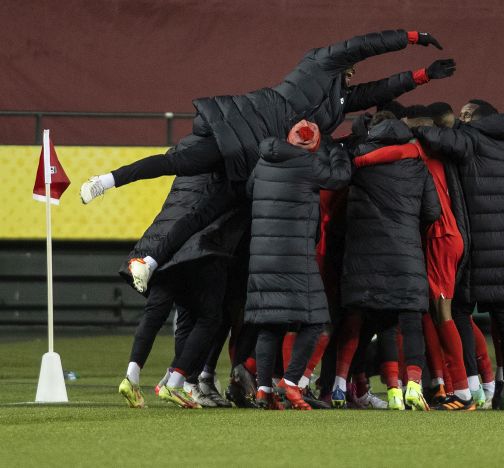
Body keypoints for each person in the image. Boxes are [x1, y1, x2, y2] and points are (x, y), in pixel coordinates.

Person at [84, 30, 454, 293]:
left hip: (256, 158)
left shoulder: (338, 100)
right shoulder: (319, 62)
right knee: (178, 163)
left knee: (205, 213)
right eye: (352, 64)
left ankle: (148, 262)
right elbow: (364, 44)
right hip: (243, 130)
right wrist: (410, 37)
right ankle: (106, 181)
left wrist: (421, 77)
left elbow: (379, 91)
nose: (355, 68)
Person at [412, 99, 504, 411]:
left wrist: (416, 125)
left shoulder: (470, 139)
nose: (461, 118)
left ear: (479, 118)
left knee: (458, 311)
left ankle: (473, 388)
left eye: (466, 114)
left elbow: (435, 136)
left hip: (478, 244)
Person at [351, 106, 474, 410]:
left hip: (438, 239)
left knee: (440, 313)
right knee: (428, 314)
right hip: (438, 238)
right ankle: (443, 385)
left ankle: (465, 391)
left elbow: (383, 157)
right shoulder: (437, 151)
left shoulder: (414, 151)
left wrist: (358, 159)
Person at [244, 123, 351, 410]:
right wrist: (339, 152)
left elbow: (250, 190)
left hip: (262, 255)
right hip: (294, 254)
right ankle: (291, 383)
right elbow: (340, 178)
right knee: (316, 319)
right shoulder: (308, 164)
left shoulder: (264, 160)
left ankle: (263, 390)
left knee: (270, 323)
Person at [117, 173, 245, 409]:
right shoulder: (225, 173)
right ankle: (177, 382)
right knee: (209, 317)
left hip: (160, 246)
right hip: (193, 250)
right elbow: (204, 214)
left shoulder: (184, 171)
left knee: (155, 312)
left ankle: (131, 377)